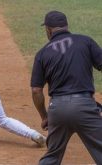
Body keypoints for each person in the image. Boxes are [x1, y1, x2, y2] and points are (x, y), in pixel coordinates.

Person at [31, 11, 102, 164]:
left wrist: (45, 116)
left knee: (52, 156)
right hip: (85, 107)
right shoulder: (85, 41)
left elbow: (36, 90)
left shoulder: (42, 53)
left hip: (58, 109)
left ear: (48, 29)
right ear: (66, 26)